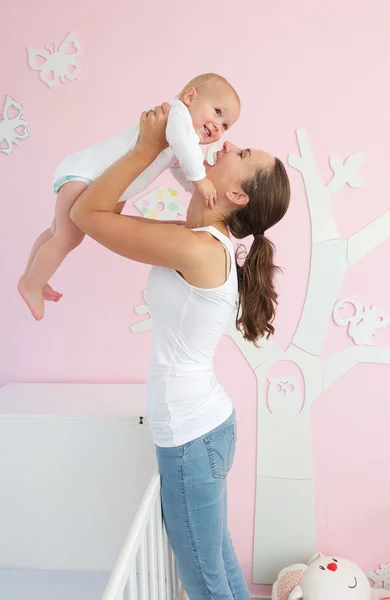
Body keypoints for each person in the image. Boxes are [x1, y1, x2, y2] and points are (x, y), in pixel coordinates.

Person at [70, 103, 290, 600]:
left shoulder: (197, 251)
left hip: (192, 438)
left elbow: (87, 213)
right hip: (203, 428)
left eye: (242, 151)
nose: (227, 143)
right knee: (219, 566)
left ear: (236, 194)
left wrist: (148, 147)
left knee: (204, 581)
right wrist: (157, 150)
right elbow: (104, 207)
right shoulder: (196, 241)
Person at [18, 73, 241, 321]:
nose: (218, 127)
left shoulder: (180, 139)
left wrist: (194, 188)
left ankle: (33, 277)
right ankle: (32, 284)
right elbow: (186, 150)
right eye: (218, 112)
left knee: (55, 233)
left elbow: (180, 168)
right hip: (86, 178)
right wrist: (201, 179)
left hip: (85, 177)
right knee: (65, 238)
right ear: (190, 96)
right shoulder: (176, 115)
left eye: (225, 126)